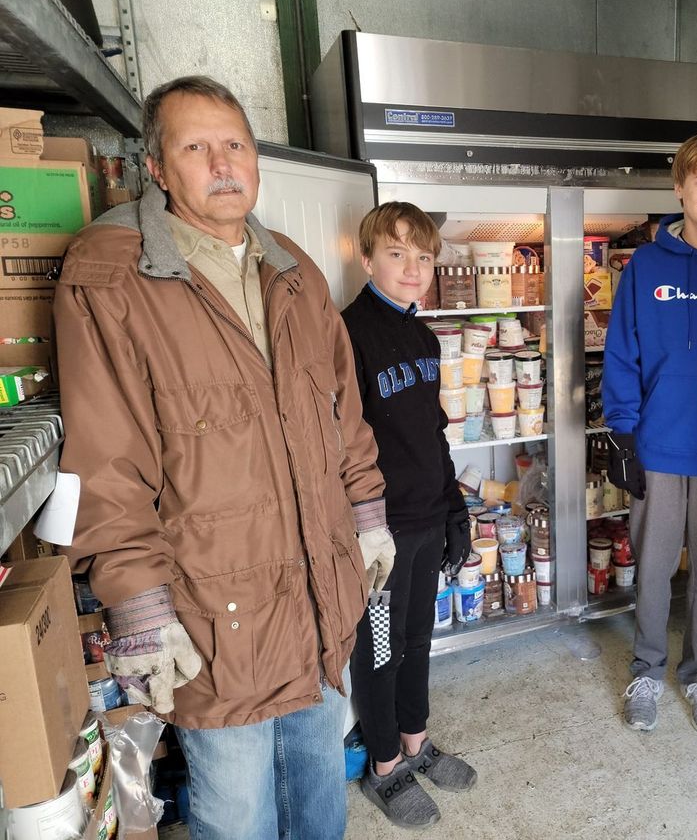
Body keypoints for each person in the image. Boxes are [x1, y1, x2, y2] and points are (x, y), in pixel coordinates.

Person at [54, 76, 394, 840]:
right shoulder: (113, 279)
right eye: (197, 147)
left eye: (235, 144)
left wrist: (368, 516)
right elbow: (107, 465)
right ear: (158, 167)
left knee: (318, 796)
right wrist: (141, 611)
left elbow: (345, 414)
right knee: (239, 812)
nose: (223, 163)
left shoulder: (294, 273)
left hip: (316, 601)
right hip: (216, 620)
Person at [602, 131, 697, 734]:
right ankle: (646, 669)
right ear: (680, 188)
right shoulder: (646, 265)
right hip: (661, 445)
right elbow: (623, 351)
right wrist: (623, 432)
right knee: (655, 565)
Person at [342, 202, 478, 828]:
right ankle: (384, 765)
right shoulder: (346, 334)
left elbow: (432, 431)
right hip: (378, 531)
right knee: (378, 649)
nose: (413, 267)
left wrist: (456, 509)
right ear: (366, 258)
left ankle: (416, 744)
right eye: (397, 254)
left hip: (427, 518)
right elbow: (341, 444)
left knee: (419, 639)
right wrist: (365, 525)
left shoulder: (423, 336)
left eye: (424, 256)